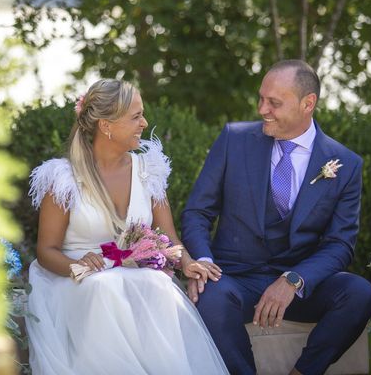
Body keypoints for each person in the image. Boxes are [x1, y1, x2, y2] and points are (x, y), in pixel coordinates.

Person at [181, 60, 371, 375]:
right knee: (209, 298)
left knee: (359, 293)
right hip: (234, 278)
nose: (262, 109)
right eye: (261, 98)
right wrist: (202, 260)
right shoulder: (234, 139)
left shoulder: (346, 165)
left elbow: (340, 244)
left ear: (307, 104)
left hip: (300, 286)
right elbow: (197, 212)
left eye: (274, 102)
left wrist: (294, 279)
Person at [25, 79, 229, 375]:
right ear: (106, 125)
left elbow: (168, 236)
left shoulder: (148, 170)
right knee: (103, 287)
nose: (144, 123)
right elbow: (46, 250)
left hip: (129, 273)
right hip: (74, 280)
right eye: (135, 116)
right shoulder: (63, 178)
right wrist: (76, 266)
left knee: (158, 283)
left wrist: (187, 263)